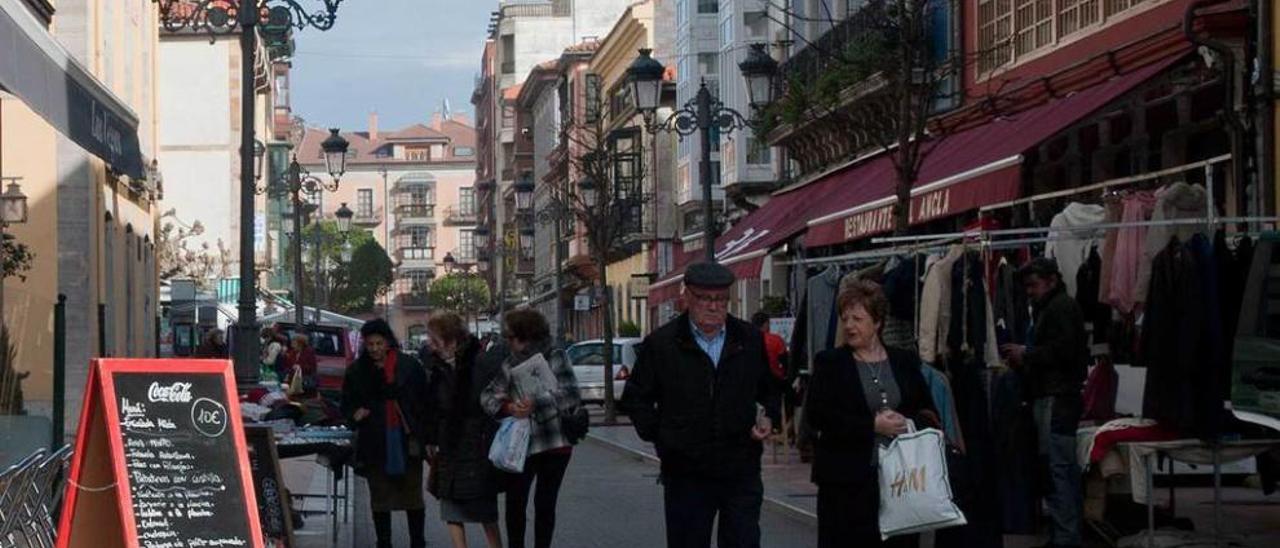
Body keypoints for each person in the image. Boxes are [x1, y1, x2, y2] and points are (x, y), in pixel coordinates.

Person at [621, 261, 781, 548]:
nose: (713, 306)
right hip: (687, 472)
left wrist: (768, 416)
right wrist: (663, 437)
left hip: (739, 467)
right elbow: (636, 398)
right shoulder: (662, 344)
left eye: (720, 299)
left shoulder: (748, 339)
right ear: (687, 298)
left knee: (744, 540)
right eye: (705, 298)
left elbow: (768, 391)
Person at [803, 279, 937, 547]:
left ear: (877, 322)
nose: (849, 325)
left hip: (902, 481)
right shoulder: (830, 363)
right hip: (846, 482)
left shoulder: (904, 361)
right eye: (845, 318)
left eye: (857, 318)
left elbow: (929, 412)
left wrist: (907, 422)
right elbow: (818, 416)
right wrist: (871, 426)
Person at [1001, 258, 1087, 548]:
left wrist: (1027, 354)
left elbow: (1064, 351)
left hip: (1057, 398)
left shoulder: (1060, 308)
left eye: (1033, 285)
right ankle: (1065, 534)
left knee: (1057, 469)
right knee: (1057, 469)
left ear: (1051, 281)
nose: (1029, 291)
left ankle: (1066, 537)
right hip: (1054, 396)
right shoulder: (1051, 307)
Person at [481, 309, 582, 548]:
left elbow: (571, 396)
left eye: (512, 337)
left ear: (527, 336)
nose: (508, 342)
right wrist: (508, 407)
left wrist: (536, 403)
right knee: (515, 504)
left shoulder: (555, 356)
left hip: (554, 444)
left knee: (545, 505)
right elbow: (487, 397)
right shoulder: (509, 363)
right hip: (520, 447)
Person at [341, 319, 430, 548]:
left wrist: (425, 435)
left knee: (412, 496)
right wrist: (355, 414)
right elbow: (347, 403)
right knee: (380, 497)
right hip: (375, 442)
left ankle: (418, 542)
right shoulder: (357, 370)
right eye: (370, 344)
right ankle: (384, 542)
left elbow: (423, 401)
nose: (374, 349)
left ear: (388, 342)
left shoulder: (409, 366)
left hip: (405, 440)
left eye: (379, 343)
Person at [421, 312, 504, 548]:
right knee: (451, 510)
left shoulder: (479, 364)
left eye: (434, 339)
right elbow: (432, 407)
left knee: (485, 511)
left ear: (452, 341)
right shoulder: (437, 367)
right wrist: (430, 437)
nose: (430, 344)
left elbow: (489, 404)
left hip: (477, 448)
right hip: (449, 447)